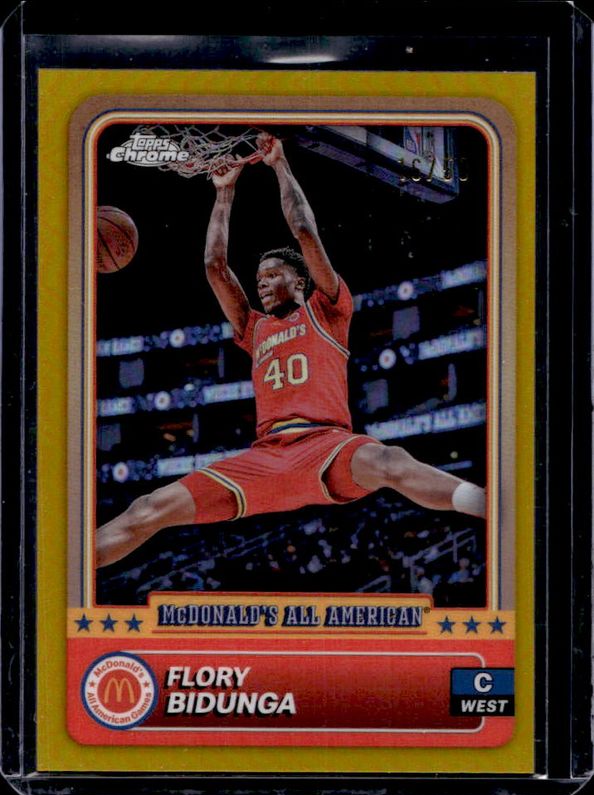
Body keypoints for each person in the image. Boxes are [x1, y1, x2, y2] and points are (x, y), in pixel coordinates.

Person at [97, 132, 485, 569]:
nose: (261, 283)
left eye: (271, 275)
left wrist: (280, 165)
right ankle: (56, 569)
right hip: (264, 459)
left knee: (389, 460)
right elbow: (214, 267)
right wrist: (224, 195)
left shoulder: (327, 309)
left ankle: (490, 506)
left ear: (299, 281)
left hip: (327, 446)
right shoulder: (254, 328)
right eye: (259, 278)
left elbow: (303, 230)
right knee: (148, 508)